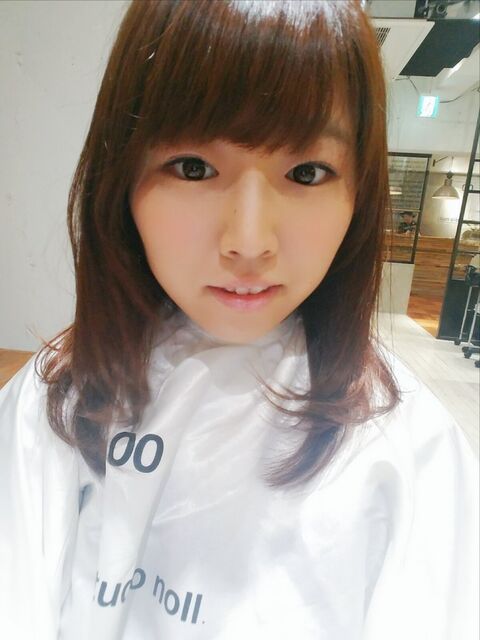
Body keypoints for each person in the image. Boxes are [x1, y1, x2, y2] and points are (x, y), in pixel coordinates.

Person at [0, 1, 478, 639]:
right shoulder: (53, 401)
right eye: (194, 168)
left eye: (306, 172)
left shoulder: (411, 450)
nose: (249, 242)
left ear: (358, 193)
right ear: (121, 180)